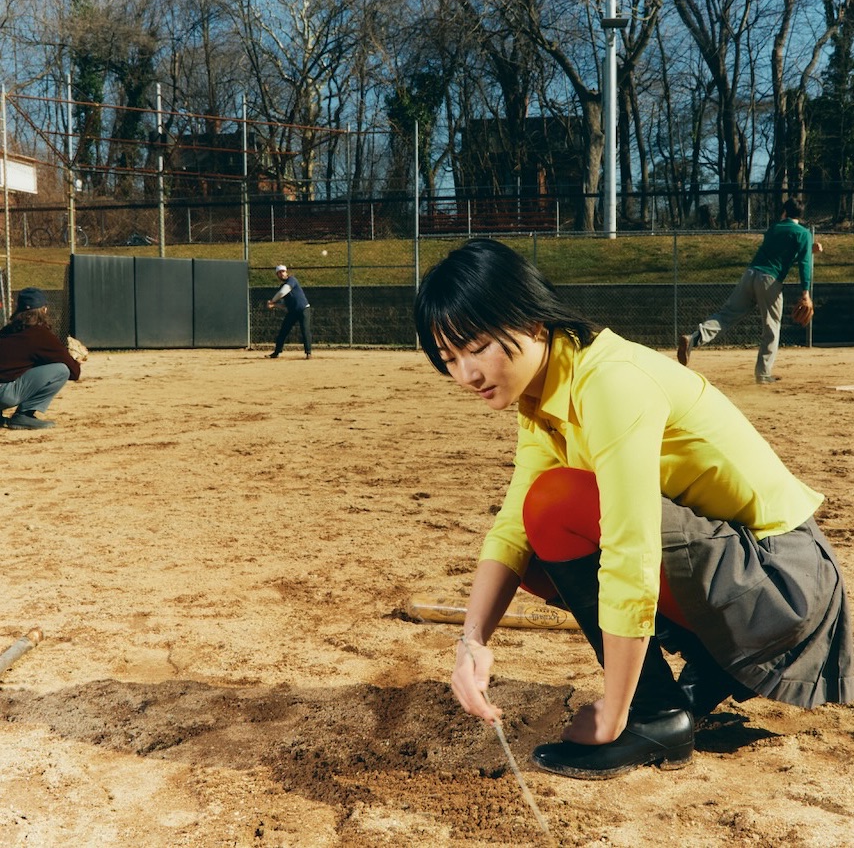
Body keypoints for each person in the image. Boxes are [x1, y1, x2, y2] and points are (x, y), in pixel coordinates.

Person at [414, 239, 852, 781]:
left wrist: (618, 713)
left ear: (531, 320)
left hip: (783, 586)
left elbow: (631, 550)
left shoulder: (610, 381)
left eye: (478, 348)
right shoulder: (542, 393)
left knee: (556, 507)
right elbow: (511, 530)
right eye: (449, 359)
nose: (466, 374)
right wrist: (472, 642)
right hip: (742, 573)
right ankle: (710, 663)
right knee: (532, 535)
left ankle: (657, 714)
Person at [678, 197, 822, 383]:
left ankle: (693, 339)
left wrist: (807, 250)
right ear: (800, 215)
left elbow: (780, 256)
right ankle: (763, 374)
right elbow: (804, 264)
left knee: (726, 315)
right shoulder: (803, 233)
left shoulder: (774, 228)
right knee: (771, 327)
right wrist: (805, 293)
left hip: (750, 275)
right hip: (770, 280)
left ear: (784, 212)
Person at [0, 287, 81, 429]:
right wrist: (74, 358)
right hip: (4, 394)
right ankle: (25, 415)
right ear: (44, 310)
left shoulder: (6, 330)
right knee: (61, 370)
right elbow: (74, 372)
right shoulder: (41, 335)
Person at [266, 265, 312, 359]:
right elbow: (284, 305)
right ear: (277, 275)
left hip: (303, 309)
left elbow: (283, 292)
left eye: (283, 271)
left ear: (286, 272)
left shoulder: (292, 280)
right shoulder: (282, 286)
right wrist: (274, 305)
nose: (281, 274)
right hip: (292, 312)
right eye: (279, 273)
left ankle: (308, 353)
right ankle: (276, 352)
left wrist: (272, 301)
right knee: (283, 331)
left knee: (305, 330)